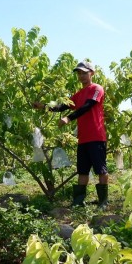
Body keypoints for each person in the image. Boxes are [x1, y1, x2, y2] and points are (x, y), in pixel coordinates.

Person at [33, 61, 108, 207]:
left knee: (101, 169)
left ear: (92, 73)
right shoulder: (78, 94)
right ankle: (78, 202)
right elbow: (62, 106)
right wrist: (43, 106)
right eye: (79, 73)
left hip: (96, 137)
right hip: (83, 139)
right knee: (82, 171)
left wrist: (68, 118)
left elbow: (87, 106)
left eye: (84, 73)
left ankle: (103, 202)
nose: (81, 76)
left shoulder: (96, 88)